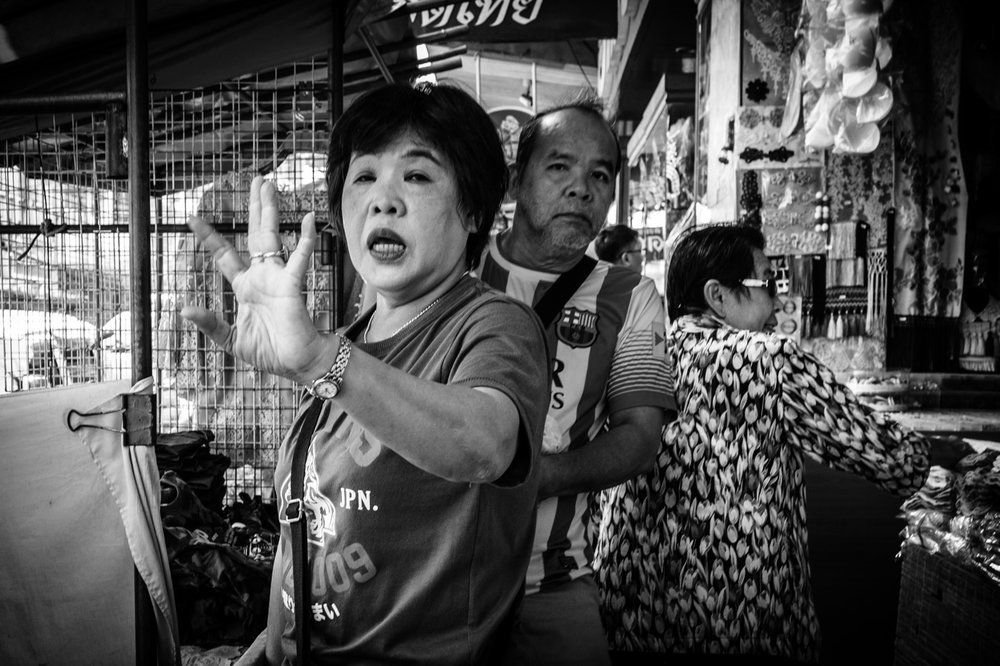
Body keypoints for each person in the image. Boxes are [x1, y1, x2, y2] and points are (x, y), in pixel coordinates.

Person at [181, 81, 551, 665]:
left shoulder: (494, 325)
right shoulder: (346, 344)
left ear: (475, 210)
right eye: (364, 177)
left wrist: (320, 361)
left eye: (418, 176)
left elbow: (483, 445)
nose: (385, 200)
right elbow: (305, 534)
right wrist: (267, 647)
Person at [592, 224, 972, 664]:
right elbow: (875, 448)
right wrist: (941, 453)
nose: (777, 301)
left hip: (630, 611)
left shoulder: (635, 354)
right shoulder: (768, 358)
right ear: (717, 295)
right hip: (735, 613)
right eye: (768, 285)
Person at [476, 95, 672, 665]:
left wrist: (542, 477)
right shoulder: (457, 270)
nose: (581, 188)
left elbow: (640, 437)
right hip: (432, 582)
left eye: (600, 175)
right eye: (559, 167)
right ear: (516, 182)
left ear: (611, 196)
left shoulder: (631, 296)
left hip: (554, 582)